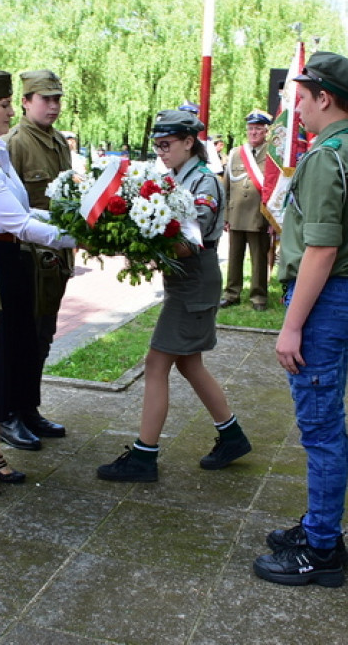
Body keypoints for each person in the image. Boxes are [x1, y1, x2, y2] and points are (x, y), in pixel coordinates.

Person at [254, 51, 348, 588]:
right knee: (325, 421)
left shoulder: (328, 156)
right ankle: (318, 526)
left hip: (324, 299)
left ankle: (323, 550)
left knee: (321, 428)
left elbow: (321, 250)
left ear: (324, 97)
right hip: (339, 297)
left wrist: (291, 325)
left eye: (301, 98)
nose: (296, 109)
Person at [97, 109, 251, 482]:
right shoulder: (178, 177)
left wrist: (143, 246)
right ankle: (232, 437)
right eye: (157, 146)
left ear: (188, 142)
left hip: (195, 281)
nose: (161, 152)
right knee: (189, 364)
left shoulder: (203, 182)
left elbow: (187, 244)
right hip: (186, 282)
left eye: (167, 145)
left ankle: (144, 457)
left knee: (156, 364)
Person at [0, 69, 77, 497]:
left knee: (3, 359)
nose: (10, 110)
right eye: (4, 105)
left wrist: (78, 218)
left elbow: (31, 211)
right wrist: (83, 231)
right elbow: (15, 221)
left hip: (9, 265)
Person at [1, 69, 74, 450]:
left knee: (43, 336)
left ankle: (29, 407)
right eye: (46, 99)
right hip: (26, 258)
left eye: (57, 98)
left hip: (54, 258)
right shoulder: (15, 143)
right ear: (25, 101)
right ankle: (9, 413)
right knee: (21, 336)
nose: (54, 105)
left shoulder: (59, 142)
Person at [220, 110, 274, 311]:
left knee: (259, 258)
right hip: (236, 214)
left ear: (266, 131)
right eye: (251, 128)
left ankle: (258, 296)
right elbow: (226, 187)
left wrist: (272, 219)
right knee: (234, 257)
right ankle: (231, 293)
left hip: (259, 216)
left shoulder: (272, 155)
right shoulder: (235, 153)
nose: (253, 132)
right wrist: (225, 216)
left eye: (258, 129)